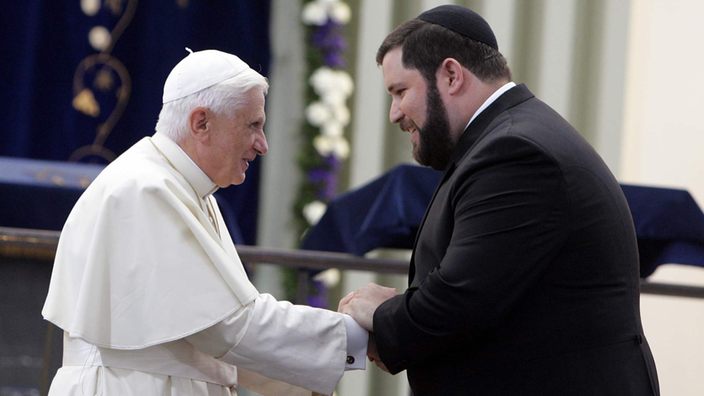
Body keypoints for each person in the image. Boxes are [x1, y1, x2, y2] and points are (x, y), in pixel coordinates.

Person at [339, 5, 660, 396]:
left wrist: (378, 311)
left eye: (400, 91)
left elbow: (458, 302)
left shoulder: (515, 153)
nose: (395, 114)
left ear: (452, 75)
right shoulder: (508, 138)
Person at [42, 49, 367, 396]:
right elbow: (228, 326)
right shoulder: (145, 188)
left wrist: (303, 384)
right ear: (201, 123)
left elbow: (215, 341)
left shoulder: (191, 191)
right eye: (253, 125)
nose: (263, 144)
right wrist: (359, 335)